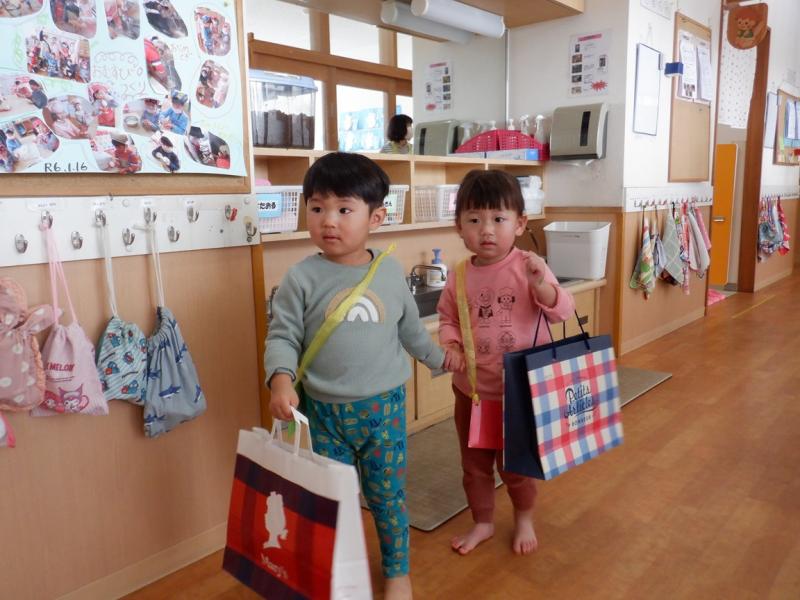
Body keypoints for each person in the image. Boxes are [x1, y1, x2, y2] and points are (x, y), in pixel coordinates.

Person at [266, 152, 463, 600]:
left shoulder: (389, 272)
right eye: (317, 208)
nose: (328, 221)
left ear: (376, 217)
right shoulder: (300, 278)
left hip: (383, 411)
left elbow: (411, 332)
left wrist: (440, 359)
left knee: (387, 497)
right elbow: (282, 336)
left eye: (344, 209)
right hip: (323, 414)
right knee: (333, 499)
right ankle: (345, 568)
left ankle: (397, 571)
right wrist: (280, 379)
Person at [437, 169, 575, 557]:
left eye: (498, 219)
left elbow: (563, 311)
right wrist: (450, 343)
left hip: (520, 394)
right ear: (459, 226)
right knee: (474, 465)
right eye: (474, 219)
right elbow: (448, 318)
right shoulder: (459, 275)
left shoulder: (529, 265)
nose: (486, 230)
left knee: (515, 465)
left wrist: (540, 284)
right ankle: (483, 522)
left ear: (520, 223)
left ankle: (524, 516)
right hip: (472, 393)